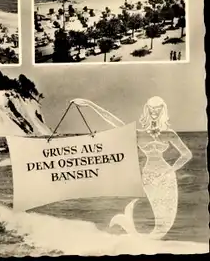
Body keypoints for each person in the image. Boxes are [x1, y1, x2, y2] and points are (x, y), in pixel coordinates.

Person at [71, 97, 192, 240]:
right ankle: (141, 236)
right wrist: (91, 104)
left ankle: (147, 238)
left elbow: (187, 154)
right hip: (149, 175)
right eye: (151, 109)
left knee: (167, 215)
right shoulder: (138, 133)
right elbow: (114, 121)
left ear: (163, 110)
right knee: (157, 210)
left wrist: (171, 170)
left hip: (166, 177)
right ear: (147, 110)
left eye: (158, 109)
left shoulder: (169, 133)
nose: (154, 112)